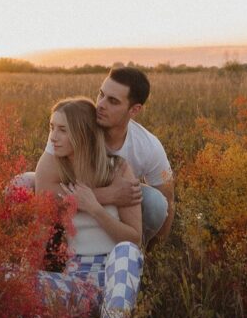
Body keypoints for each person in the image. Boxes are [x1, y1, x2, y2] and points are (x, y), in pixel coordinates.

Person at [35, 97, 144, 318]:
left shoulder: (119, 169)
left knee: (127, 250)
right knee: (8, 277)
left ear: (81, 134)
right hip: (76, 283)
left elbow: (134, 237)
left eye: (62, 130)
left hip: (114, 279)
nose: (53, 137)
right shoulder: (59, 174)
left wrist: (94, 207)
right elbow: (39, 207)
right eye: (51, 128)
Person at [35, 66, 174, 246]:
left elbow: (168, 199)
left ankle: (137, 254)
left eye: (113, 101)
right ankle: (54, 251)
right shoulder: (75, 125)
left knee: (157, 203)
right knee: (21, 184)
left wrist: (158, 252)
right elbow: (43, 191)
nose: (100, 104)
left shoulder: (148, 146)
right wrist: (108, 195)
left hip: (119, 199)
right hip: (73, 190)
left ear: (134, 110)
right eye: (101, 94)